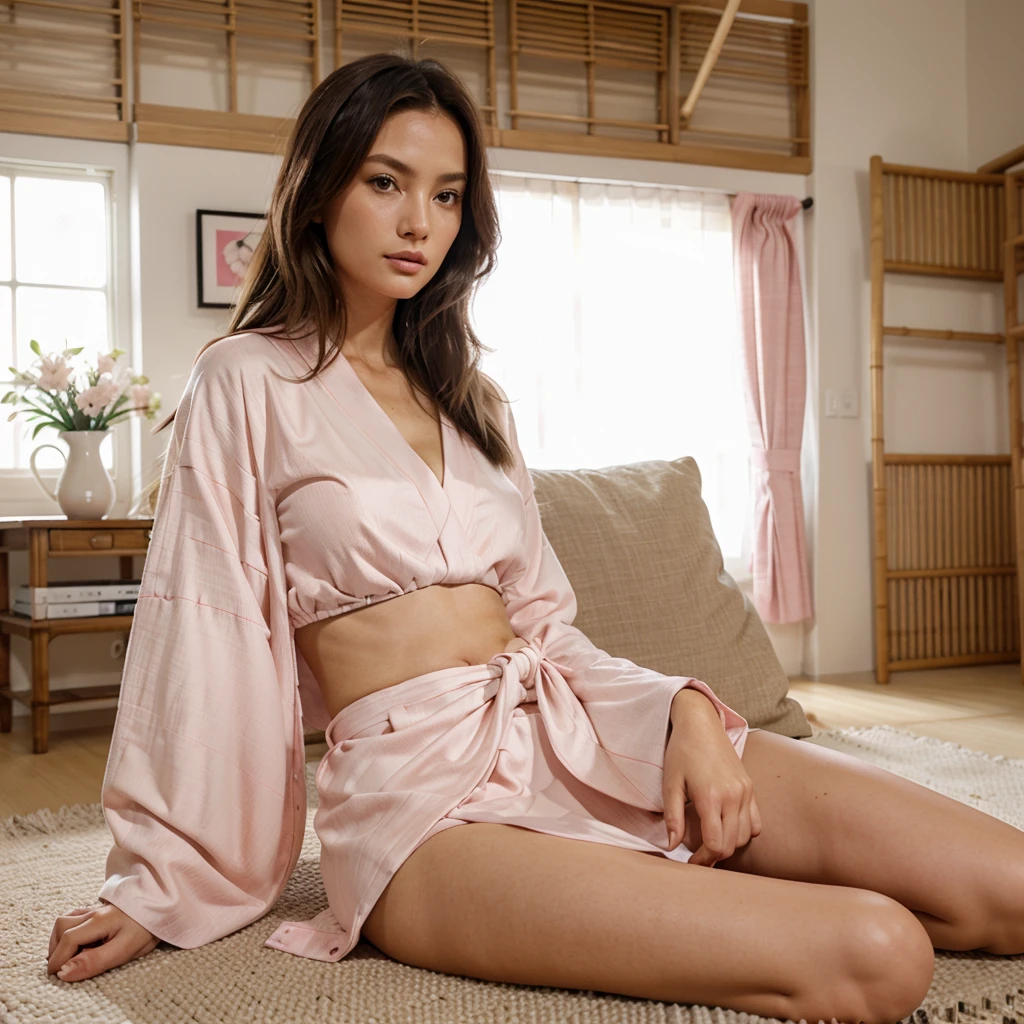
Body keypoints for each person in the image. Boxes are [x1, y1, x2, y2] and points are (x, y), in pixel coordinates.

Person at [46, 52, 1024, 1022]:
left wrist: (681, 708)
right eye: (385, 181)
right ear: (316, 191)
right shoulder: (244, 381)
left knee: (1006, 881)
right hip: (420, 803)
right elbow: (199, 630)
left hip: (572, 723)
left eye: (445, 193)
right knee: (878, 950)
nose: (417, 221)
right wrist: (158, 881)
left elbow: (547, 630)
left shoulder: (478, 403)